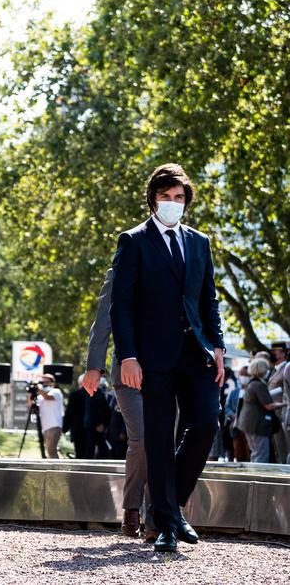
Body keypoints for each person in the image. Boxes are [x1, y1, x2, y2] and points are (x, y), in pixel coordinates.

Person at [110, 163, 226, 553]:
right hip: (151, 359)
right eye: (166, 197)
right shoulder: (133, 241)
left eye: (179, 198)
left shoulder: (199, 243)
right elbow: (121, 306)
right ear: (153, 200)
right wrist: (128, 356)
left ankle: (170, 508)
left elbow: (208, 299)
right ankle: (166, 526)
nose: (173, 204)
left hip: (196, 354)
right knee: (158, 440)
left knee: (207, 423)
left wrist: (219, 346)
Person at [83, 266, 156, 538]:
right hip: (126, 372)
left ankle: (157, 515)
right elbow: (103, 320)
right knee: (142, 440)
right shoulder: (120, 271)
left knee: (162, 442)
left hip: (169, 371)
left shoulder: (175, 266)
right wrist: (94, 366)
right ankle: (133, 509)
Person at [237, 357, 285, 463]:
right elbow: (268, 406)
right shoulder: (259, 385)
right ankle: (257, 478)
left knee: (255, 453)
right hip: (257, 425)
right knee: (261, 454)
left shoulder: (251, 383)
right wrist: (284, 403)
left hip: (249, 424)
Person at [267, 341, 288, 463]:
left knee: (284, 448)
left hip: (282, 413)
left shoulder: (286, 369)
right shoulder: (274, 370)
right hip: (274, 414)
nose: (273, 355)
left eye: (275, 352)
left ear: (283, 354)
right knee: (278, 449)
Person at [35, 374, 64, 460]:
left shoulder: (56, 392)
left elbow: (48, 397)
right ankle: (56, 469)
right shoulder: (40, 396)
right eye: (42, 382)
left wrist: (39, 389)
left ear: (52, 383)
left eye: (46, 382)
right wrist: (31, 393)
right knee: (50, 452)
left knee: (52, 451)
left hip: (55, 425)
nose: (44, 384)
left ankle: (57, 470)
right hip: (45, 427)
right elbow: (32, 406)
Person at [84, 376, 112, 459]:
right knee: (94, 449)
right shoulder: (95, 393)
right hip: (95, 426)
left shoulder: (98, 393)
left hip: (96, 425)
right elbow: (94, 410)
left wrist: (104, 424)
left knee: (99, 449)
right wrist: (99, 424)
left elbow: (104, 410)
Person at [63, 379, 89, 459]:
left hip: (79, 429)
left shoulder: (74, 394)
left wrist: (65, 427)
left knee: (80, 453)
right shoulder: (97, 393)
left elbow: (69, 412)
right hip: (87, 429)